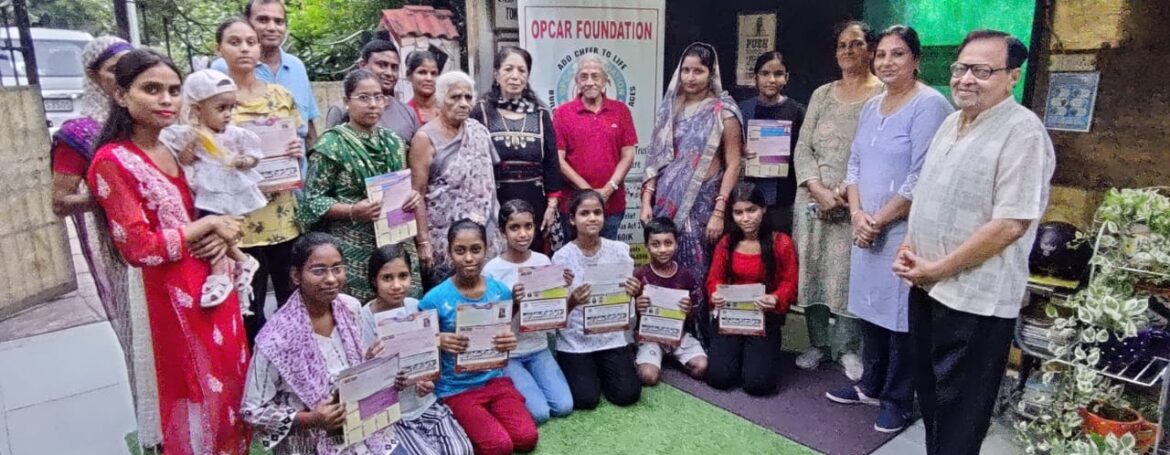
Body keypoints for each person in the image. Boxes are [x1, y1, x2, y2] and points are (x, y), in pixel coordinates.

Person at [894, 30, 1054, 455]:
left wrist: (938, 268)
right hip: (928, 288)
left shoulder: (1023, 132)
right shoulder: (951, 122)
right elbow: (927, 193)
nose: (966, 79)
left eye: (982, 71)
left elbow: (1011, 223)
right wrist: (909, 247)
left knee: (960, 414)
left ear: (1012, 76)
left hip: (975, 301)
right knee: (932, 401)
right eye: (961, 68)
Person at [87, 48, 250, 454]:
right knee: (195, 391)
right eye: (152, 89)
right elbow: (138, 247)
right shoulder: (112, 161)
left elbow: (212, 206)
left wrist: (220, 232)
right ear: (120, 95)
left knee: (228, 383)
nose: (166, 100)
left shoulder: (175, 148)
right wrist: (205, 227)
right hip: (171, 297)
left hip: (213, 284)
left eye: (174, 91)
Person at [822, 25, 952, 434]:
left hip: (902, 230)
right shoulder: (872, 106)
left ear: (916, 60)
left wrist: (879, 220)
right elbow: (855, 165)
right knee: (869, 308)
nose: (887, 62)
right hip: (865, 226)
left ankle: (898, 399)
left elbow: (921, 176)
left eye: (898, 54)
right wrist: (858, 215)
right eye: (881, 54)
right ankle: (870, 384)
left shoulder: (930, 105)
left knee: (900, 317)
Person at [49, 37, 163, 447]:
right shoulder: (78, 134)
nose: (125, 74)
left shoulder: (151, 124)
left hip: (169, 244)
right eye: (115, 69)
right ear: (94, 76)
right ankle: (153, 428)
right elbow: (60, 201)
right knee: (141, 332)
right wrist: (114, 193)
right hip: (121, 248)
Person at [242, 233, 405, 454]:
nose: (331, 279)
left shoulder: (350, 307)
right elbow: (252, 411)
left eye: (337, 268)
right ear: (296, 276)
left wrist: (379, 370)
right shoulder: (275, 339)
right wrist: (311, 419)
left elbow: (351, 368)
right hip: (312, 443)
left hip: (364, 429)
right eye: (319, 271)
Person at [791, 20, 884, 378]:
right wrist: (817, 188)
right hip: (812, 199)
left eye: (856, 43)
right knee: (813, 270)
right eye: (842, 44)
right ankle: (818, 343)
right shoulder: (822, 94)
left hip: (854, 202)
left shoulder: (881, 95)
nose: (848, 50)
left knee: (847, 275)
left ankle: (847, 348)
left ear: (870, 50)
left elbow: (876, 151)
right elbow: (804, 146)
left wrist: (844, 191)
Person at [639, 42, 743, 345]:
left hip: (702, 205)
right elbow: (655, 158)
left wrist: (719, 211)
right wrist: (646, 200)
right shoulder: (671, 107)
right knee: (663, 262)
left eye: (698, 71)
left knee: (698, 267)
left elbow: (733, 163)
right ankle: (661, 331)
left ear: (711, 73)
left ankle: (697, 335)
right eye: (686, 70)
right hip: (666, 201)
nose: (690, 77)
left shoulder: (724, 111)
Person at [299, 69, 424, 302]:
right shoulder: (331, 145)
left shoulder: (394, 142)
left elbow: (401, 187)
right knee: (359, 310)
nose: (373, 104)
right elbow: (312, 201)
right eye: (364, 98)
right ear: (347, 102)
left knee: (404, 308)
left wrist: (412, 197)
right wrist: (352, 211)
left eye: (378, 97)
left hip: (397, 240)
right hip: (354, 246)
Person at [217, 17, 305, 343]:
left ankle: (295, 364)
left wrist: (295, 150)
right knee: (250, 308)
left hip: (282, 217)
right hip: (239, 223)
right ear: (218, 48)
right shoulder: (214, 100)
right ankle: (258, 368)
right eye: (234, 42)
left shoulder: (281, 96)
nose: (244, 49)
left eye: (250, 42)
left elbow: (296, 140)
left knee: (292, 300)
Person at [418, 220, 538, 455]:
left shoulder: (500, 291)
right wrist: (437, 339)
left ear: (486, 250)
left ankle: (481, 424)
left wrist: (508, 342)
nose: (468, 258)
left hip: (494, 380)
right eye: (460, 251)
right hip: (456, 388)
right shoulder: (433, 299)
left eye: (475, 250)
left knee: (527, 439)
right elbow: (418, 346)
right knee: (500, 446)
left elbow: (503, 334)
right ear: (449, 252)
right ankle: (463, 430)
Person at [160, 68, 265, 308]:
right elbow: (185, 160)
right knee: (211, 231)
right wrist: (191, 145)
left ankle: (219, 275)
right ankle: (242, 260)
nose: (228, 114)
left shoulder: (236, 134)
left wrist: (242, 161)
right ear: (198, 109)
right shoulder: (191, 134)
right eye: (221, 108)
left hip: (226, 190)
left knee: (214, 231)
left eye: (231, 108)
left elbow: (255, 157)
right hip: (205, 189)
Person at [360, 245, 475, 455]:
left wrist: (428, 379)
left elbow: (430, 358)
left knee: (463, 451)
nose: (397, 285)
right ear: (373, 280)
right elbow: (364, 378)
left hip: (425, 403)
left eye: (403, 276)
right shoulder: (363, 319)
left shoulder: (416, 306)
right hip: (394, 414)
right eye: (387, 278)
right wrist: (374, 366)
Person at [483, 200, 574, 424]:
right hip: (509, 354)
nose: (523, 234)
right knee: (539, 413)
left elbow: (554, 313)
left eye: (528, 226)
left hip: (539, 347)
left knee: (564, 406)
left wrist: (563, 289)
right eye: (514, 227)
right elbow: (487, 327)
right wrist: (514, 303)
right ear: (502, 231)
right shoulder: (492, 270)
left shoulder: (542, 261)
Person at [705, 182, 799, 396]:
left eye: (751, 210)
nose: (745, 218)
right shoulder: (727, 242)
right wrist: (715, 294)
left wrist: (775, 298)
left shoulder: (781, 242)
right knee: (720, 378)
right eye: (738, 212)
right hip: (730, 316)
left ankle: (752, 357)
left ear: (763, 209)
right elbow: (714, 279)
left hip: (763, 316)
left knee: (758, 385)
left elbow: (790, 283)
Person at [408, 71, 502, 282]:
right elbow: (417, 194)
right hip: (442, 237)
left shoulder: (479, 132)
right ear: (441, 99)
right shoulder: (424, 138)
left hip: (482, 232)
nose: (463, 103)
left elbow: (489, 185)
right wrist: (423, 242)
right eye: (455, 97)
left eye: (468, 97)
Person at [554, 190, 643, 409]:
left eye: (597, 212)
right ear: (572, 219)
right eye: (584, 213)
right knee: (585, 399)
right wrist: (573, 301)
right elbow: (555, 315)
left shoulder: (619, 251)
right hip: (576, 338)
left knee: (628, 395)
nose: (592, 218)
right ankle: (587, 370)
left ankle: (601, 369)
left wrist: (633, 293)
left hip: (610, 334)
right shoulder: (561, 257)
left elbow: (627, 310)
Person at [471, 47, 564, 254]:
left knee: (534, 257)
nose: (515, 76)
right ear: (496, 74)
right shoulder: (481, 111)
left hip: (535, 201)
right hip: (495, 201)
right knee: (499, 256)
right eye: (508, 69)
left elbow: (551, 162)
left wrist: (552, 205)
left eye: (522, 70)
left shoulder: (540, 113)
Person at [553, 53, 638, 240]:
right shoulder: (562, 113)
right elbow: (559, 161)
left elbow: (628, 155)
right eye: (584, 76)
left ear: (605, 80)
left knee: (608, 255)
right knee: (574, 256)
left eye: (595, 76)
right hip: (574, 207)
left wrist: (609, 188)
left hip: (611, 205)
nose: (590, 82)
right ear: (577, 81)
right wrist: (589, 193)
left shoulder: (621, 111)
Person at [213, 0, 321, 144]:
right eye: (263, 20)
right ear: (248, 23)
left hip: (294, 157)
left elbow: (308, 127)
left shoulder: (296, 66)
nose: (272, 27)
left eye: (279, 22)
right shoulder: (222, 68)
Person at [738, 51, 807, 235]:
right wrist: (741, 151)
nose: (771, 80)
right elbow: (730, 150)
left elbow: (805, 152)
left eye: (778, 74)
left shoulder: (797, 111)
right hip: (748, 197)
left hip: (784, 198)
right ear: (755, 77)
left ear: (786, 78)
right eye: (765, 73)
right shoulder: (743, 110)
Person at [633, 217, 707, 385]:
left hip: (677, 334)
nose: (662, 250)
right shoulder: (639, 275)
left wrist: (689, 310)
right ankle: (649, 357)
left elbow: (694, 314)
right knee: (648, 377)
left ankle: (672, 357)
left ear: (676, 244)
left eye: (668, 243)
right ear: (646, 246)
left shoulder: (686, 276)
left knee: (701, 367)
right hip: (649, 336)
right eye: (655, 244)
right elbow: (628, 317)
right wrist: (636, 307)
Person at [324, 40, 420, 142]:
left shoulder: (408, 113)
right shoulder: (342, 110)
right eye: (382, 65)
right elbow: (331, 147)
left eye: (394, 67)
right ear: (363, 65)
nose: (389, 73)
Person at [405, 51, 441, 124]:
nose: (429, 78)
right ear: (409, 76)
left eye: (433, 73)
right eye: (422, 72)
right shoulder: (405, 113)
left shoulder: (447, 109)